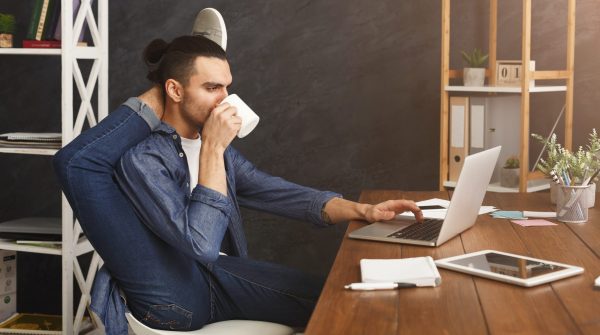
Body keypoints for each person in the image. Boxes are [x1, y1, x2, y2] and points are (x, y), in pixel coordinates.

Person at [53, 11, 423, 335]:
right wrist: (212, 147)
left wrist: (362, 211)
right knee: (329, 299)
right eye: (212, 87)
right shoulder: (146, 158)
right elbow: (200, 243)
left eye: (227, 87)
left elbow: (275, 191)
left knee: (335, 293)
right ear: (174, 90)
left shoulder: (216, 149)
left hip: (213, 278)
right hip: (178, 300)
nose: (225, 100)